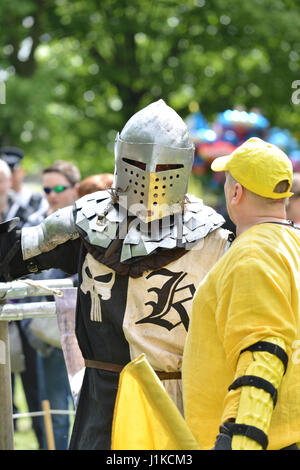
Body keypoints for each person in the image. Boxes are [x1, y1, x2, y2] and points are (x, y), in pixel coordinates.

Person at [0, 99, 232, 450]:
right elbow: (13, 253)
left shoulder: (213, 239)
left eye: (165, 166)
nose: (151, 178)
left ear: (181, 167)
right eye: (138, 164)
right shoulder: (87, 222)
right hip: (102, 397)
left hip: (174, 397)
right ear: (121, 157)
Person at [182, 137, 300, 450]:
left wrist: (240, 439)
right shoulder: (292, 243)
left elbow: (264, 353)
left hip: (263, 438)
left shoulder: (252, 254)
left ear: (236, 192)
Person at [23, 160, 81, 450]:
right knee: (53, 414)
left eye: (59, 187)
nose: (52, 194)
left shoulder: (88, 223)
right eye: (46, 188)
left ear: (75, 188)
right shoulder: (34, 222)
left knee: (88, 413)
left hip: (84, 333)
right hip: (47, 334)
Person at [0, 146, 48, 225]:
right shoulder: (3, 200)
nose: (9, 176)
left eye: (12, 171)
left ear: (22, 171)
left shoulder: (37, 200)